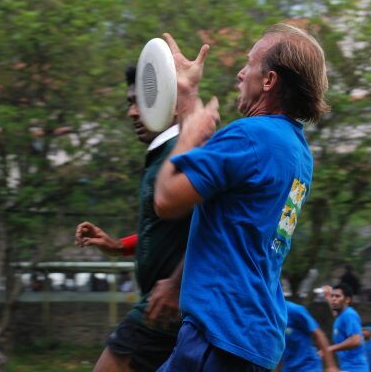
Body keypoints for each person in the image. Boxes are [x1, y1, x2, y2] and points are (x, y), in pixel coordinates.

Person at [153, 24, 329, 371]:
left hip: (220, 331)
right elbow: (211, 175)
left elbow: (167, 197)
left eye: (249, 64)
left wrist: (187, 134)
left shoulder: (250, 136)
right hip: (252, 335)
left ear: (269, 80)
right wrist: (188, 95)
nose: (240, 72)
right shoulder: (295, 150)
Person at [74, 64, 198, 372]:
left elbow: (212, 227)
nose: (132, 113)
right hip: (165, 307)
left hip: (168, 307)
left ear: (169, 103)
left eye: (139, 102)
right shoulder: (161, 154)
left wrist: (175, 284)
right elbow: (165, 232)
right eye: (129, 103)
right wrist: (119, 247)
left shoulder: (182, 152)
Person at [277, 300, 338, 372]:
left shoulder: (293, 310)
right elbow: (277, 349)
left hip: (308, 367)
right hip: (288, 368)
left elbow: (318, 334)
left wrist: (330, 366)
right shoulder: (269, 316)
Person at [324, 283, 368, 372]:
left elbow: (356, 340)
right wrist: (328, 297)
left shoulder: (349, 314)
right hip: (347, 367)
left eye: (337, 296)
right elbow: (335, 314)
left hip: (355, 368)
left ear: (347, 299)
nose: (333, 299)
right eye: (332, 296)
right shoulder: (341, 315)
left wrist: (331, 349)